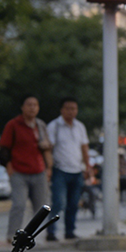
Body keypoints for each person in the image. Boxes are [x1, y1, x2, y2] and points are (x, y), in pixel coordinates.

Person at [0, 95, 53, 242]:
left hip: (39, 171)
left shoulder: (40, 125)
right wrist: (9, 168)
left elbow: (47, 148)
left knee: (41, 208)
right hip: (19, 172)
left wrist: (49, 168)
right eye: (29, 104)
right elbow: (4, 149)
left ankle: (36, 236)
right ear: (22, 107)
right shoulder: (13, 125)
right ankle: (12, 235)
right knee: (19, 205)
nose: (32, 108)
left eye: (35, 105)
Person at [45, 97, 91, 241]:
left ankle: (70, 231)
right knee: (59, 203)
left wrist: (88, 167)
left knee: (74, 204)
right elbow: (49, 149)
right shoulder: (54, 126)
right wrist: (49, 168)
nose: (71, 111)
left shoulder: (80, 126)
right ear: (62, 109)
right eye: (68, 108)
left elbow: (84, 148)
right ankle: (51, 232)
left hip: (77, 170)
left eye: (74, 108)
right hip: (60, 170)